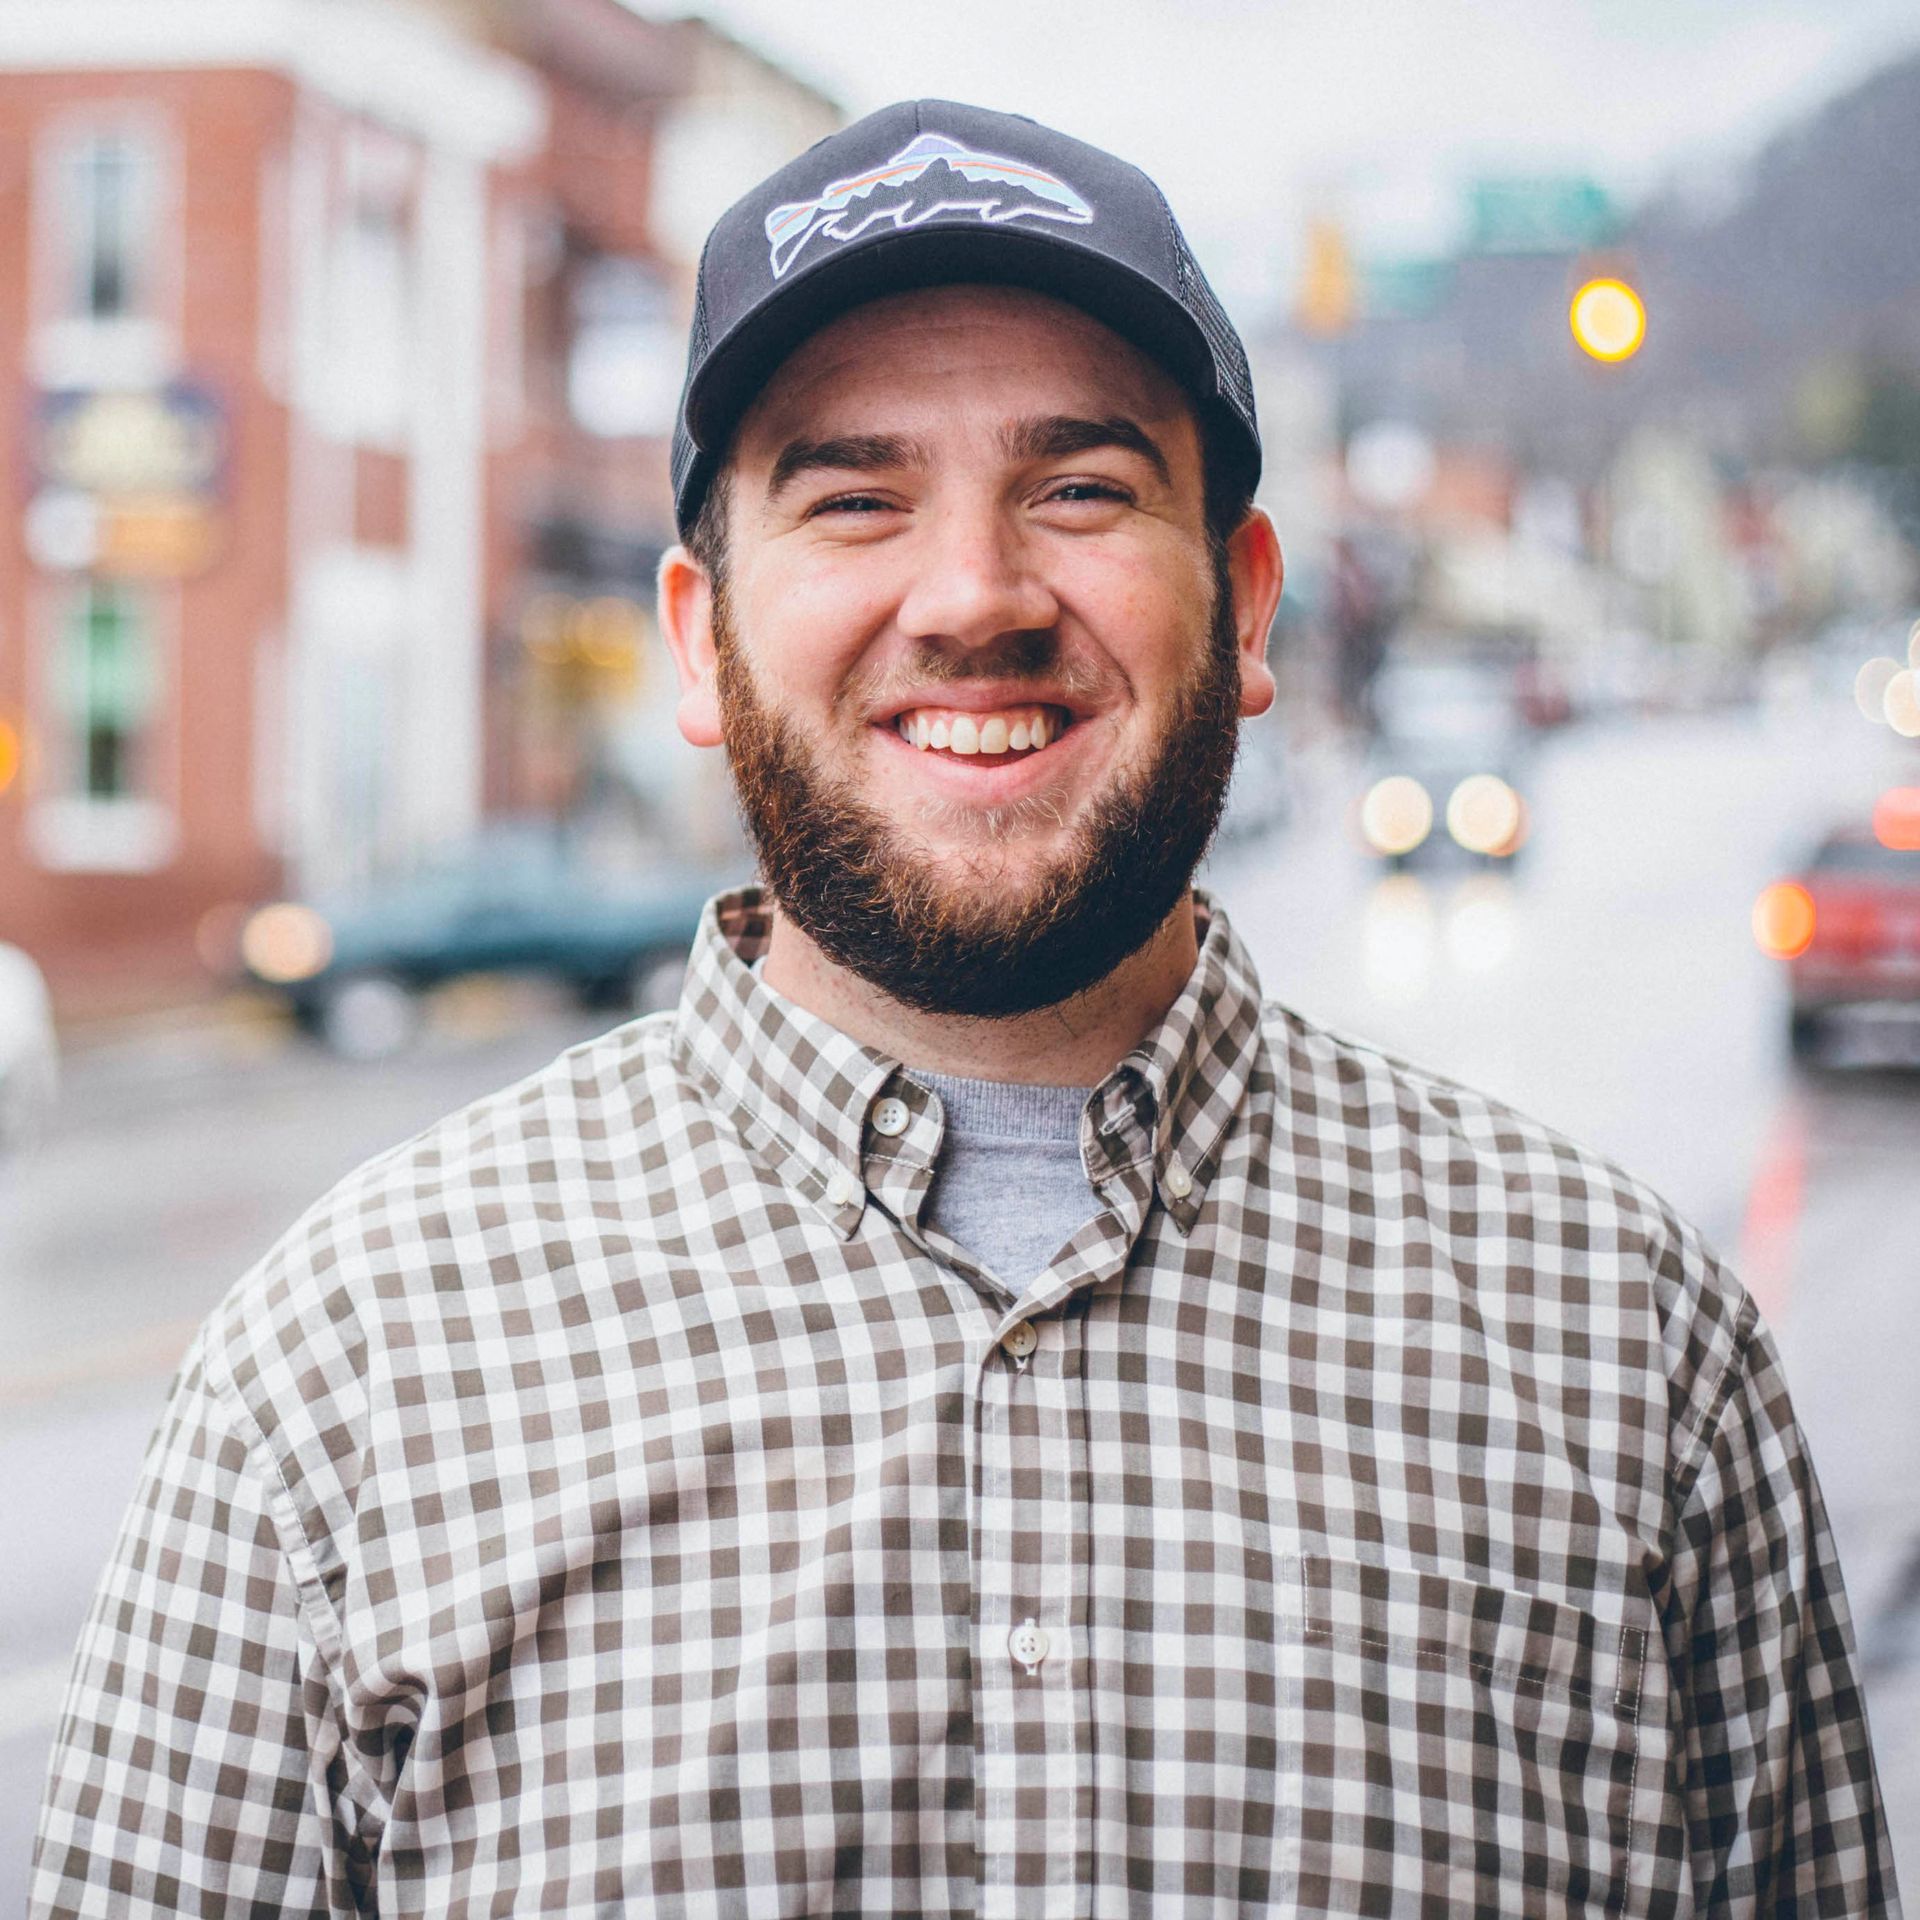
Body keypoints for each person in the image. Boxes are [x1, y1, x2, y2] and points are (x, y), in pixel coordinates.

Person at [31, 100, 1898, 1919]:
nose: (975, 595)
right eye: (855, 499)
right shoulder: (341, 1375)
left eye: (1080, 488)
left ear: (1244, 603)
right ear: (700, 634)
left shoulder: (1624, 1344)